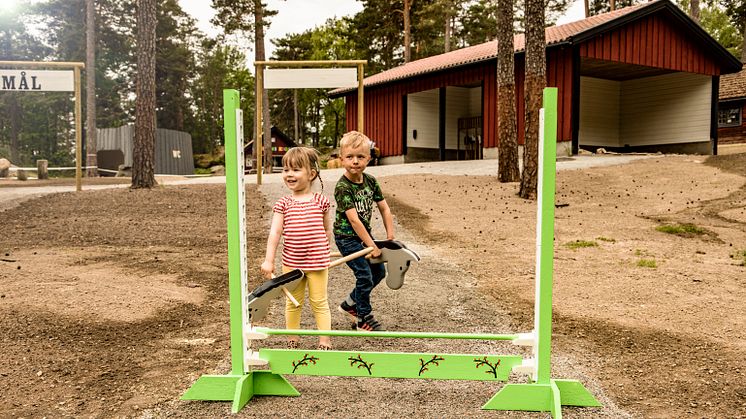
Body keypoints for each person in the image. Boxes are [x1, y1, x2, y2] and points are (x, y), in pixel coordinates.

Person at [261, 147, 333, 350]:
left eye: (296, 170)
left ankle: (325, 340)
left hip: (318, 264)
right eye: (285, 170)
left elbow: (327, 230)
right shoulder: (283, 204)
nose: (289, 174)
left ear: (311, 174)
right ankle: (293, 339)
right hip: (291, 264)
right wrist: (269, 260)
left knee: (319, 302)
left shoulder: (321, 202)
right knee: (293, 303)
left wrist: (325, 251)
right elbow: (275, 233)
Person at [334, 131, 395, 331]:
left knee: (378, 271)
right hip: (346, 238)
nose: (355, 161)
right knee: (364, 275)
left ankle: (350, 304)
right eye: (350, 157)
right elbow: (353, 220)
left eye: (360, 157)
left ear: (369, 158)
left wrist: (389, 236)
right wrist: (371, 245)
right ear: (342, 159)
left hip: (363, 237)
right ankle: (363, 317)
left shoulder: (370, 181)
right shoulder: (343, 187)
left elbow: (384, 208)